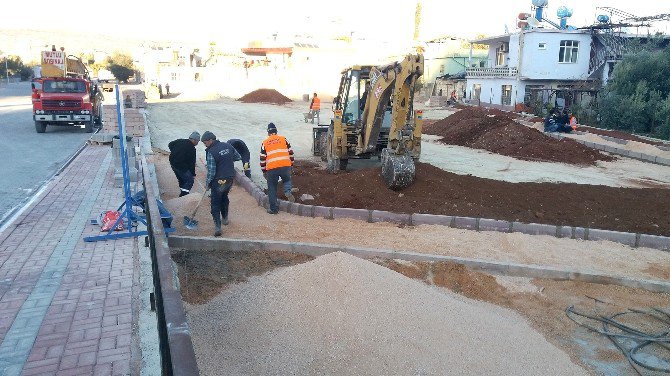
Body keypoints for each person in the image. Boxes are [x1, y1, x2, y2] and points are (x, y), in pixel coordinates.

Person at [201, 131, 241, 236]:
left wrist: (207, 183)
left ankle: (218, 227)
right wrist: (226, 160)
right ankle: (225, 218)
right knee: (224, 197)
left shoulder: (211, 152)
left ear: (210, 140)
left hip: (218, 180)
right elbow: (237, 157)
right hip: (229, 178)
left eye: (205, 143)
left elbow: (211, 171)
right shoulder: (228, 146)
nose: (205, 145)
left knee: (215, 202)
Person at [260, 123, 295, 214]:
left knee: (272, 188)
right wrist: (291, 164)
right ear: (276, 131)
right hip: (285, 165)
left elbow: (262, 158)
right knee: (287, 179)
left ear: (268, 133)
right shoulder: (284, 139)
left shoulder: (265, 142)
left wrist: (264, 171)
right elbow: (290, 152)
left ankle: (273, 209)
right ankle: (287, 191)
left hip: (272, 168)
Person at [168, 132, 200, 197]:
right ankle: (183, 195)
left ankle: (182, 189)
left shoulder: (180, 140)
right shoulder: (192, 148)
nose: (197, 143)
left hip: (172, 163)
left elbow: (170, 144)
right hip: (181, 166)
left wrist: (174, 152)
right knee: (190, 180)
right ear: (194, 140)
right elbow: (192, 163)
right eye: (198, 141)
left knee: (181, 179)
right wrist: (193, 174)